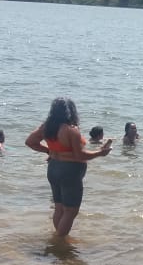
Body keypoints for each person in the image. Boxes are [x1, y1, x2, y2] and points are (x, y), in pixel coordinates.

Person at [25, 98, 113, 238]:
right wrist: (100, 153)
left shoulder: (47, 127)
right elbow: (80, 156)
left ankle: (58, 236)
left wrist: (49, 151)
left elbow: (30, 142)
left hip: (53, 169)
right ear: (71, 111)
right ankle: (59, 241)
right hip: (70, 172)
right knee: (71, 211)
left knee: (59, 207)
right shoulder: (72, 130)